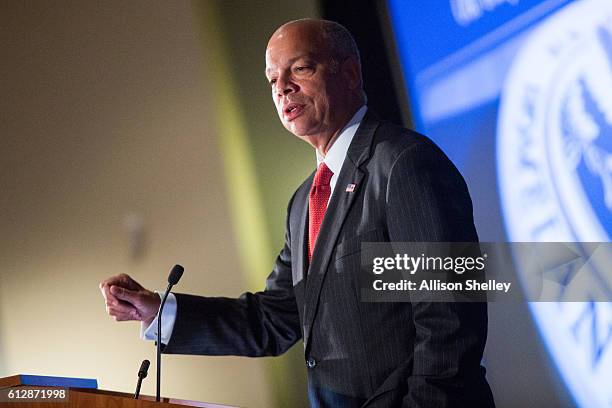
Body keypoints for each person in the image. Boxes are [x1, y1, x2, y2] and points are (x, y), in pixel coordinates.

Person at [100, 19, 495, 407]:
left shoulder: (404, 163)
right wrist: (160, 309)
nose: (282, 88)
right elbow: (272, 321)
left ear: (351, 73)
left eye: (300, 69)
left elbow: (449, 319)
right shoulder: (304, 200)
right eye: (273, 79)